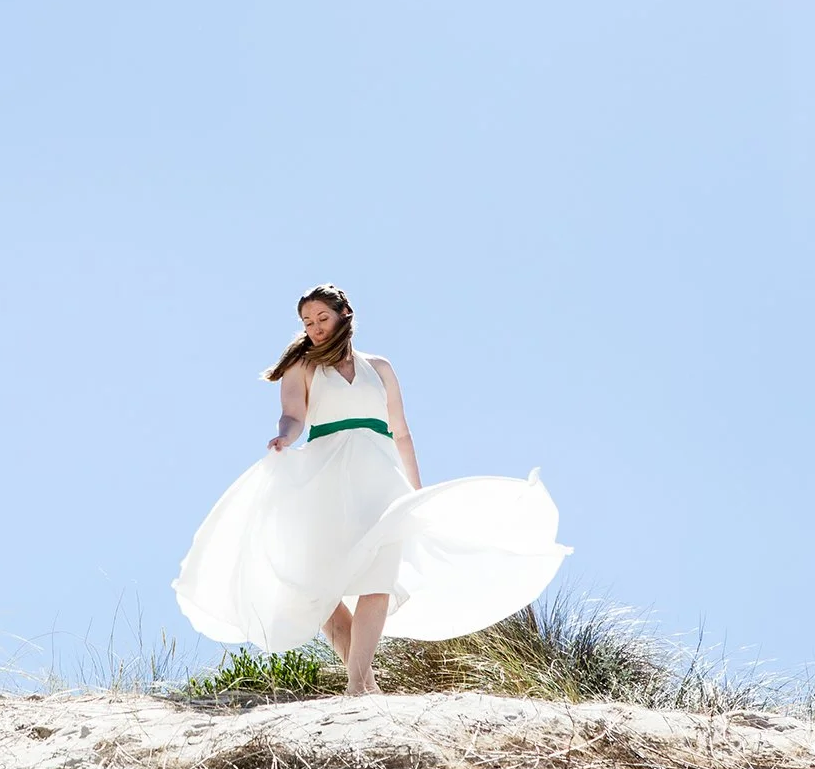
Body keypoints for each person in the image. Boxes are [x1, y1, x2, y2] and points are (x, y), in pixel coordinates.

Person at [173, 284, 570, 695]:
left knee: (377, 580)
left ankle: (357, 686)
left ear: (345, 313)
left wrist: (416, 493)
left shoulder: (379, 367)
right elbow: (292, 415)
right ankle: (365, 684)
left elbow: (402, 432)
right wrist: (284, 438)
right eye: (307, 322)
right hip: (325, 481)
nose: (315, 328)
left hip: (381, 480)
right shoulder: (301, 366)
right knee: (319, 589)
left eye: (322, 318)